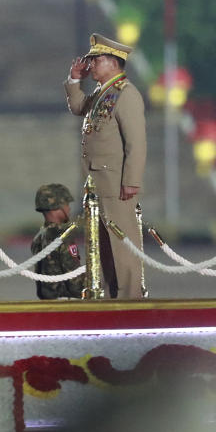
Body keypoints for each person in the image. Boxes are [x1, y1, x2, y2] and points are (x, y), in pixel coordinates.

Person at [65, 33, 147, 298]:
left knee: (122, 243)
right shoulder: (102, 93)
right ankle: (115, 296)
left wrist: (131, 181)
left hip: (116, 182)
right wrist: (75, 79)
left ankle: (130, 297)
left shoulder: (126, 95)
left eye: (96, 60)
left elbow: (136, 143)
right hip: (98, 182)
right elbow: (78, 106)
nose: (91, 65)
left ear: (113, 62)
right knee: (104, 244)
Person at [31, 183, 85, 300]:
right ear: (57, 206)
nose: (69, 208)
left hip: (47, 301)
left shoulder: (39, 236)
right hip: (67, 302)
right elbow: (74, 281)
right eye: (66, 204)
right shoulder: (62, 237)